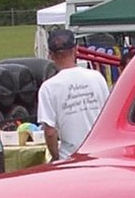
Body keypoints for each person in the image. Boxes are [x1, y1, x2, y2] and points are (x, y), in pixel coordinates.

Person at [37, 29, 111, 161]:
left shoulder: (48, 88)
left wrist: (55, 157)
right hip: (100, 152)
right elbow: (110, 115)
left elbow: (50, 132)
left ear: (50, 55)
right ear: (76, 50)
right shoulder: (97, 77)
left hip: (70, 157)